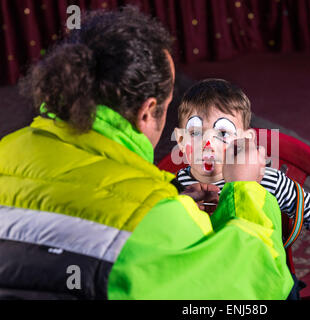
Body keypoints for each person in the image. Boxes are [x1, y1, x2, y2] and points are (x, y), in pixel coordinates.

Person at [0, 7, 294, 299]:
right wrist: (247, 190)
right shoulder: (154, 216)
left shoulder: (5, 148)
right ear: (147, 112)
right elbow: (256, 285)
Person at [174, 79, 310, 282]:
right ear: (180, 140)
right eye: (195, 133)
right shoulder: (175, 188)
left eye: (222, 133)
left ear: (246, 141)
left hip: (262, 284)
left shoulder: (266, 182)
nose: (208, 143)